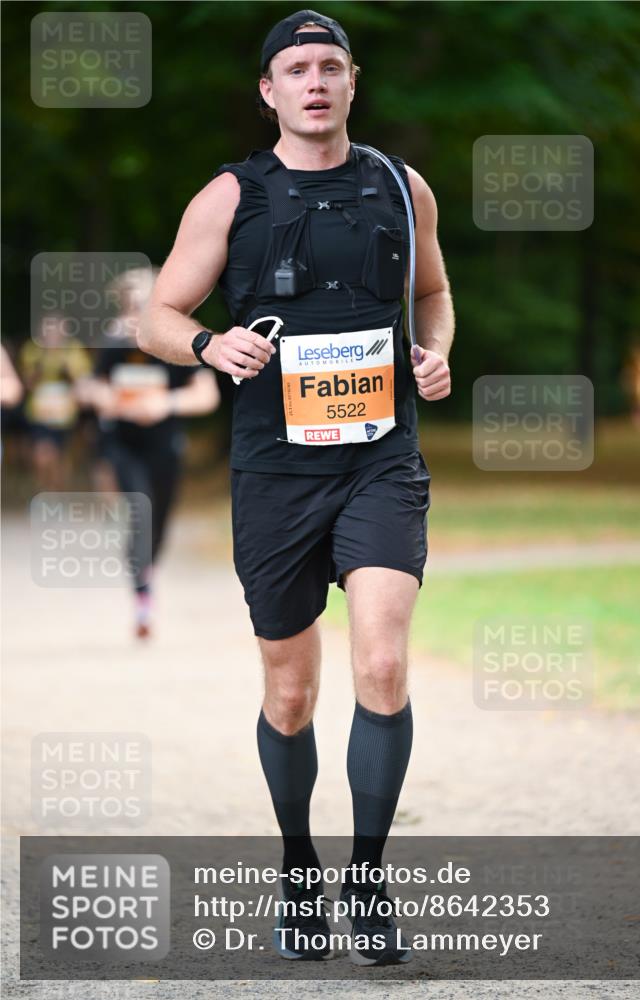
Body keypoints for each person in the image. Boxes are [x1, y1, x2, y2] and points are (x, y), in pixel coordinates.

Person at [141, 9, 454, 965]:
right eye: (295, 69)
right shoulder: (232, 195)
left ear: (352, 81)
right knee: (289, 692)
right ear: (270, 92)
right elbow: (157, 313)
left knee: (384, 667)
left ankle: (365, 880)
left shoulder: (402, 188)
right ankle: (296, 869)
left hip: (380, 461)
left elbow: (433, 294)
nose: (314, 81)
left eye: (330, 66)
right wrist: (206, 342)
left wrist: (434, 355)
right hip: (275, 471)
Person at [88, 267, 220, 639]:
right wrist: (111, 400)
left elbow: (206, 396)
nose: (134, 314)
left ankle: (145, 567)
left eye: (143, 305)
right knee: (140, 510)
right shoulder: (113, 343)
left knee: (157, 524)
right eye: (129, 305)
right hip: (123, 445)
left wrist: (165, 402)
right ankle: (143, 598)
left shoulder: (178, 340)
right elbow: (92, 389)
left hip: (165, 446)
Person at [19, 314, 91, 491]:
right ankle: (44, 489)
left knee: (61, 456)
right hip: (40, 412)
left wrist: (66, 369)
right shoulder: (33, 349)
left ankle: (57, 492)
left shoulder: (74, 351)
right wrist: (41, 364)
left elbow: (83, 382)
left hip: (65, 414)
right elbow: (26, 383)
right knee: (42, 455)